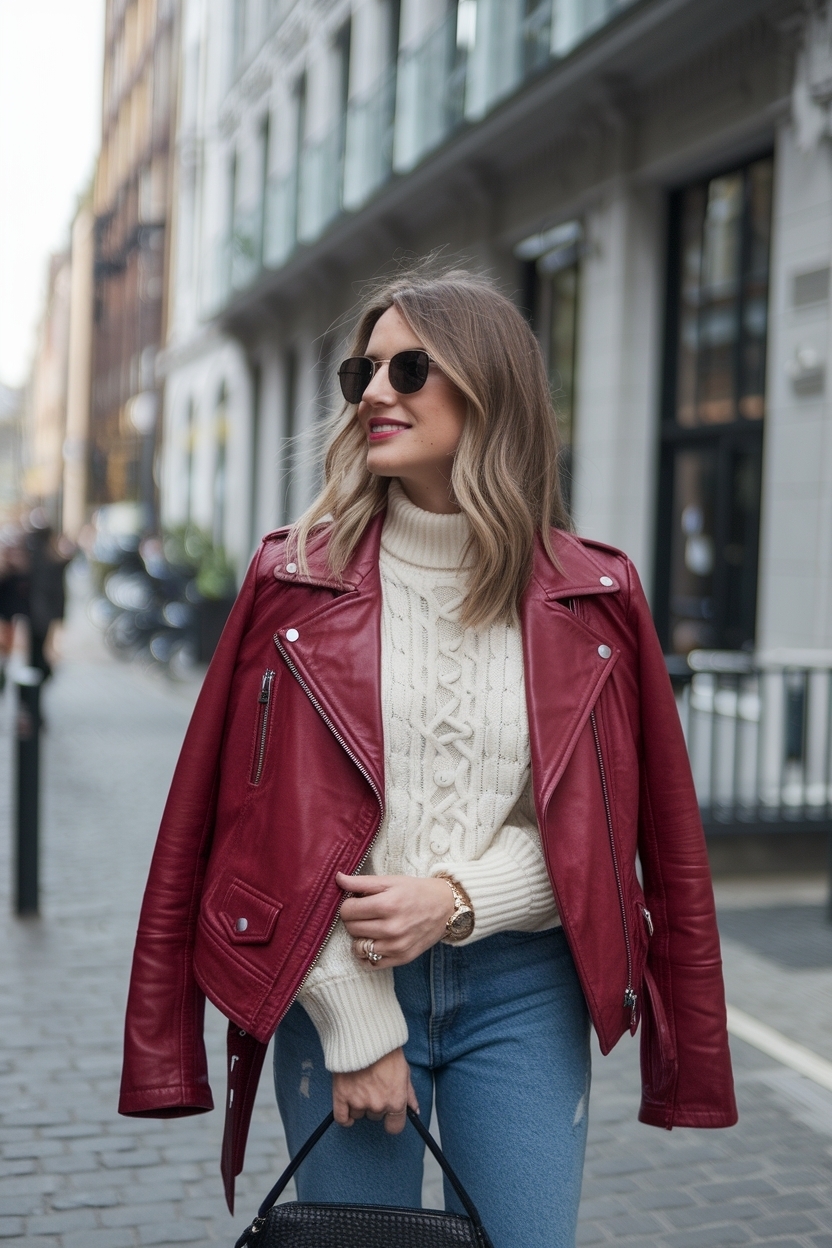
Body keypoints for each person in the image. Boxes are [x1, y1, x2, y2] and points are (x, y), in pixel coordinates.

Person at [119, 269, 737, 1248]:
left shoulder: (595, 596)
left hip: (525, 991)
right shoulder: (293, 583)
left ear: (488, 388)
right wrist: (358, 1025)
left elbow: (598, 835)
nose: (374, 391)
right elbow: (257, 834)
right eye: (359, 371)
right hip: (337, 984)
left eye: (410, 367)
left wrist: (454, 897)